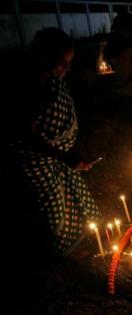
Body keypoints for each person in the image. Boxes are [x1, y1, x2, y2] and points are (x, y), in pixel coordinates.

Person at [8, 28, 101, 257]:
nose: (67, 68)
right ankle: (54, 255)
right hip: (39, 161)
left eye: (70, 62)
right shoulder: (32, 86)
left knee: (70, 196)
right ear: (44, 57)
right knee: (53, 209)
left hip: (58, 157)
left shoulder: (52, 80)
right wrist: (63, 155)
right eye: (62, 62)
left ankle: (74, 240)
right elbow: (25, 134)